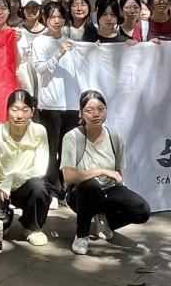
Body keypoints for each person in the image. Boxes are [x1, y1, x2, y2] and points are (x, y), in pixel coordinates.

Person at [61, 90, 150, 255]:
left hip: (108, 190)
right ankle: (82, 235)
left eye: (101, 109)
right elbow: (69, 176)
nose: (96, 114)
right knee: (91, 186)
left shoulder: (114, 137)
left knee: (142, 210)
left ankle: (104, 219)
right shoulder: (72, 137)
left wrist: (119, 186)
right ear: (81, 113)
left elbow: (118, 174)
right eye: (89, 110)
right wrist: (102, 171)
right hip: (80, 193)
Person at [0, 89, 51, 247]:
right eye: (14, 109)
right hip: (0, 191)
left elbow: (40, 169)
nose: (19, 115)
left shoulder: (39, 131)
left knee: (39, 187)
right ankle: (5, 217)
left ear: (32, 112)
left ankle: (32, 228)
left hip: (25, 186)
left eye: (25, 110)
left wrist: (12, 178)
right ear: (7, 111)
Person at [28, 1, 80, 199]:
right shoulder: (40, 42)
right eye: (52, 17)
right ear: (45, 19)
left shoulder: (71, 42)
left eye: (60, 17)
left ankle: (66, 187)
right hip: (50, 104)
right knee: (51, 148)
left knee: (67, 149)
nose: (56, 21)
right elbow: (41, 69)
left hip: (71, 104)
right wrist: (59, 53)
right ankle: (52, 188)